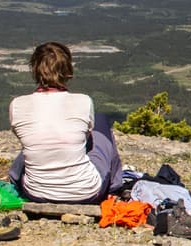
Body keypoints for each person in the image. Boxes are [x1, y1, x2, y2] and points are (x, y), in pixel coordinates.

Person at [8, 41, 123, 204]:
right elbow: (88, 136)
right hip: (87, 192)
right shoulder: (83, 101)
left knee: (32, 144)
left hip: (35, 192)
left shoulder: (17, 104)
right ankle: (116, 186)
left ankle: (15, 180)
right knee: (102, 122)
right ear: (67, 70)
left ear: (35, 70)